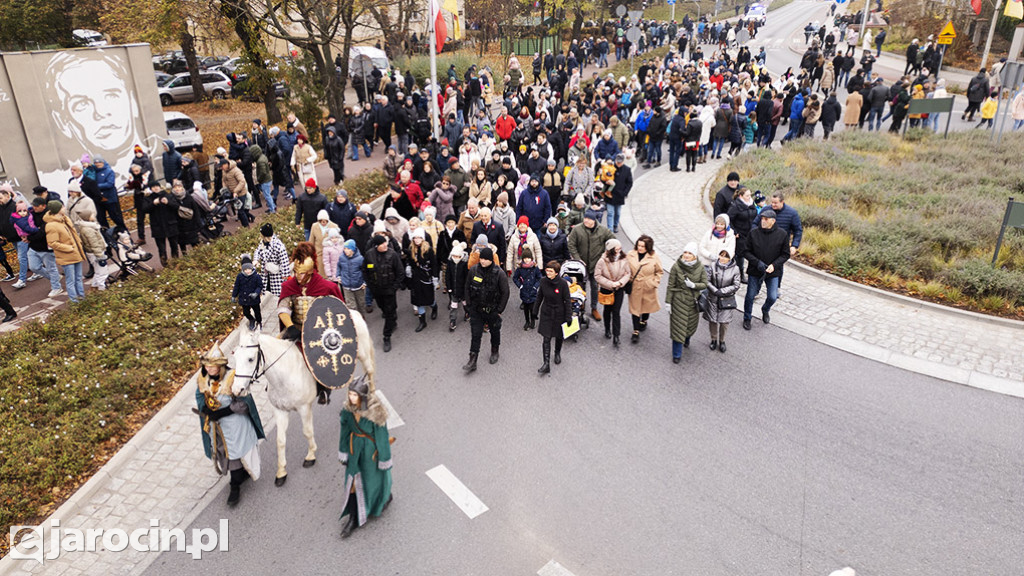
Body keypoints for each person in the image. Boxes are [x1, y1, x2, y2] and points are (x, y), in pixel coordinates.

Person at [195, 342, 264, 507]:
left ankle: (235, 485)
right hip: (217, 427)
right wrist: (205, 409)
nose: (211, 369)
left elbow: (244, 404)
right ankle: (239, 474)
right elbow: (200, 397)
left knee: (234, 452)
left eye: (214, 366)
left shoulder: (233, 377)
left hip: (236, 425)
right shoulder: (202, 379)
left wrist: (223, 412)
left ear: (221, 366)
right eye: (208, 366)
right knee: (223, 450)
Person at [276, 242, 343, 404]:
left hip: (319, 332)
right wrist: (290, 327)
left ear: (311, 271)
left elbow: (339, 310)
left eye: (303, 274)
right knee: (274, 353)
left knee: (320, 359)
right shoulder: (288, 286)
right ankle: (277, 386)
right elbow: (283, 308)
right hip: (295, 329)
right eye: (296, 273)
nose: (299, 277)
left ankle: (323, 388)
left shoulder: (326, 287)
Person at [337, 375, 393, 539]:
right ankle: (354, 517)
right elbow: (344, 432)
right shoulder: (347, 411)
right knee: (353, 483)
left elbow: (382, 437)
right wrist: (343, 451)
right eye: (350, 394)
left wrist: (384, 458)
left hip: (370, 452)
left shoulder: (375, 412)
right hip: (355, 451)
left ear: (362, 396)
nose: (351, 397)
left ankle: (385, 496)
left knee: (375, 479)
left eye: (354, 395)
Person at [462, 246, 509, 372]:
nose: (482, 261)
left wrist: (499, 310)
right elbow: (467, 287)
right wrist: (468, 305)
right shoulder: (473, 270)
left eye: (485, 259)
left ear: (491, 260)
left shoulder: (499, 273)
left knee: (495, 331)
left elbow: (505, 292)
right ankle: (472, 360)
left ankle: (495, 351)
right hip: (476, 310)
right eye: (481, 258)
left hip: (492, 310)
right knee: (475, 335)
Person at [742, 208, 790, 330]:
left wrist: (774, 265)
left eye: (766, 219)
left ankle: (765, 309)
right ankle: (747, 318)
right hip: (755, 269)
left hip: (772, 272)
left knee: (773, 297)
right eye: (762, 219)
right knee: (750, 295)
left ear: (773, 221)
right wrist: (757, 262)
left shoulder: (782, 234)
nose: (763, 221)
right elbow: (746, 251)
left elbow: (785, 254)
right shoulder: (753, 233)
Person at [568, 209, 614, 321]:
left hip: (596, 265)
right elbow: (571, 245)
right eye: (585, 218)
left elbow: (613, 241)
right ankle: (581, 303)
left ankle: (594, 308)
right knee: (580, 286)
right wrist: (578, 259)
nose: (586, 220)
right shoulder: (577, 230)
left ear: (594, 220)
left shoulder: (603, 231)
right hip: (581, 266)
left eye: (589, 219)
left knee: (594, 287)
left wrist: (605, 255)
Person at [666, 243, 707, 363]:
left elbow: (705, 283)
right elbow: (670, 285)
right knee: (678, 329)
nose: (687, 255)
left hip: (693, 302)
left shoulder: (700, 267)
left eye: (690, 253)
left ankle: (687, 338)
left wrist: (694, 285)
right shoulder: (676, 267)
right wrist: (668, 302)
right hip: (678, 301)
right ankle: (676, 354)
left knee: (690, 326)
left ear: (694, 255)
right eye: (685, 252)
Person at [363, 235, 404, 352]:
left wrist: (394, 287)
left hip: (389, 290)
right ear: (377, 246)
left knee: (389, 312)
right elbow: (365, 271)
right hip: (377, 290)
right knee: (384, 310)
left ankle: (386, 336)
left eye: (385, 243)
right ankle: (392, 321)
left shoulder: (393, 255)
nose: (385, 245)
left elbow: (400, 272)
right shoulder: (369, 255)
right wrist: (371, 286)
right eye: (382, 244)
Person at [43, 201, 87, 303]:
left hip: (75, 253)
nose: (64, 208)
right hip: (67, 256)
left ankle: (82, 298)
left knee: (78, 278)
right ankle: (75, 301)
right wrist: (69, 248)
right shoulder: (51, 225)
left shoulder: (64, 219)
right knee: (71, 281)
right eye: (62, 206)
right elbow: (52, 243)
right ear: (57, 209)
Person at [533, 260, 571, 374]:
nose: (548, 273)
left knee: (559, 336)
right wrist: (535, 311)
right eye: (547, 270)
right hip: (547, 312)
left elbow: (567, 300)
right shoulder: (543, 281)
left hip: (559, 313)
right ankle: (546, 363)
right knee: (546, 338)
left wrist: (568, 316)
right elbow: (539, 297)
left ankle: (557, 352)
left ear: (556, 273)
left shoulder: (563, 284)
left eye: (550, 271)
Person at [625, 234, 663, 345]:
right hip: (635, 286)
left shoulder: (654, 257)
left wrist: (654, 283)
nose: (640, 248)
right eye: (638, 245)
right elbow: (625, 268)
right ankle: (635, 331)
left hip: (648, 286)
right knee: (635, 309)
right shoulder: (630, 255)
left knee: (646, 306)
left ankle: (644, 320)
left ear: (648, 247)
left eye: (643, 246)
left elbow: (659, 272)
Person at [703, 247, 741, 353]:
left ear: (730, 258)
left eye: (725, 256)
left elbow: (736, 285)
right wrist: (715, 290)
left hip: (726, 299)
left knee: (724, 323)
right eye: (721, 255)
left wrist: (722, 291)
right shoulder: (713, 265)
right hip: (713, 298)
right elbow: (707, 280)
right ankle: (713, 339)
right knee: (713, 320)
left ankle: (722, 341)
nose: (722, 258)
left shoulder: (735, 269)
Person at [405, 228, 439, 332]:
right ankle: (422, 322)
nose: (417, 239)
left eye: (419, 237)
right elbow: (409, 261)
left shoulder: (428, 250)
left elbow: (434, 265)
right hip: (415, 279)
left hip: (426, 278)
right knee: (418, 301)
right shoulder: (411, 249)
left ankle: (434, 307)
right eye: (415, 237)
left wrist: (435, 278)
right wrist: (408, 269)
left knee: (429, 300)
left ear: (423, 238)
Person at [254, 223, 292, 296]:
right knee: (267, 290)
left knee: (278, 293)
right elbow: (258, 251)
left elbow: (284, 261)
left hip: (277, 274)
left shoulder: (279, 246)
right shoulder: (263, 242)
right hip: (267, 272)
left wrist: (285, 275)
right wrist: (256, 259)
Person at [512, 247, 542, 331]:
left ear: (531, 258)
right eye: (525, 258)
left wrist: (535, 287)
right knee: (526, 308)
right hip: (524, 291)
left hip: (533, 291)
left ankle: (532, 320)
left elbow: (539, 278)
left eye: (528, 258)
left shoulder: (535, 268)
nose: (527, 260)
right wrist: (520, 285)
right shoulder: (520, 268)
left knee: (532, 307)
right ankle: (527, 321)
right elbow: (515, 278)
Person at [232, 254, 264, 331]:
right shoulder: (240, 276)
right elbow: (237, 286)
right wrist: (234, 296)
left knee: (257, 312)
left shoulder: (256, 276)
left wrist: (256, 293)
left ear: (252, 268)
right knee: (246, 312)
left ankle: (259, 322)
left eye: (249, 269)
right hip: (244, 298)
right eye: (245, 270)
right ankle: (251, 320)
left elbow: (260, 286)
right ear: (243, 270)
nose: (247, 271)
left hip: (254, 298)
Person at [443, 241, 469, 331]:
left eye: (457, 256)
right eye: (454, 256)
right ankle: (452, 320)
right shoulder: (450, 263)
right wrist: (448, 287)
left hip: (462, 290)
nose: (455, 258)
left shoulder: (464, 264)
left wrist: (466, 288)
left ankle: (467, 312)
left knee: (465, 303)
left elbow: (467, 277)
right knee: (453, 306)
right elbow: (447, 276)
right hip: (453, 290)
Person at [337, 239, 368, 314]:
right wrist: (338, 276)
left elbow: (365, 271)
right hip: (346, 285)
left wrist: (364, 282)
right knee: (351, 305)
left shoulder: (360, 259)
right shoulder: (341, 258)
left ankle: (362, 318)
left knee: (361, 303)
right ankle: (354, 320)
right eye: (344, 248)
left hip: (358, 285)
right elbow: (339, 267)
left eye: (348, 249)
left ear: (353, 249)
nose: (345, 250)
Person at [605, 154, 632, 233]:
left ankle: (615, 225)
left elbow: (629, 183)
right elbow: (603, 177)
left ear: (623, 161)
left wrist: (624, 193)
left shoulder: (627, 170)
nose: (618, 164)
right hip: (610, 194)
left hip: (620, 195)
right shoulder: (610, 168)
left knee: (617, 213)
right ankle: (610, 230)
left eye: (620, 162)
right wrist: (606, 182)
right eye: (617, 162)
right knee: (610, 212)